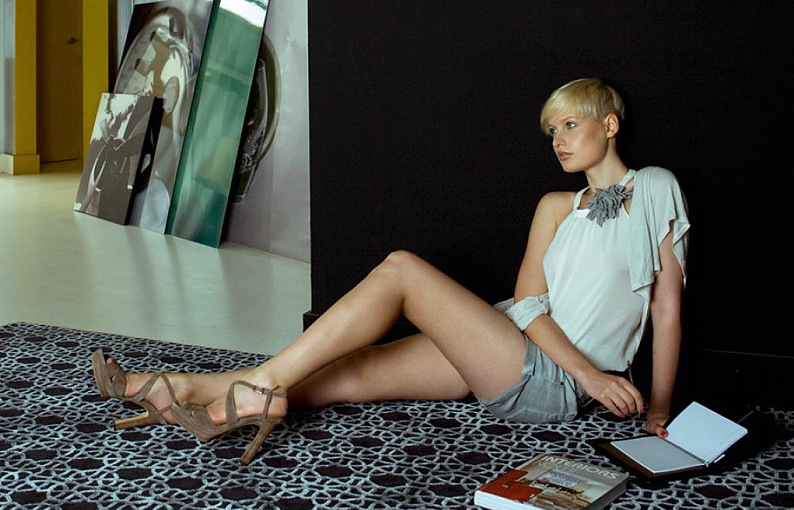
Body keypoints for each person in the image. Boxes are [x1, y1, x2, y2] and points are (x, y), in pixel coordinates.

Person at [92, 77, 689, 464]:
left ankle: (260, 388)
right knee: (356, 373)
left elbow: (665, 307)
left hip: (554, 382)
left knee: (401, 269)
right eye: (552, 130)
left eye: (571, 125)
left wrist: (654, 406)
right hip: (512, 340)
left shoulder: (656, 188)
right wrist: (584, 370)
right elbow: (529, 304)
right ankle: (184, 388)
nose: (558, 140)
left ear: (610, 124)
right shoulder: (555, 206)